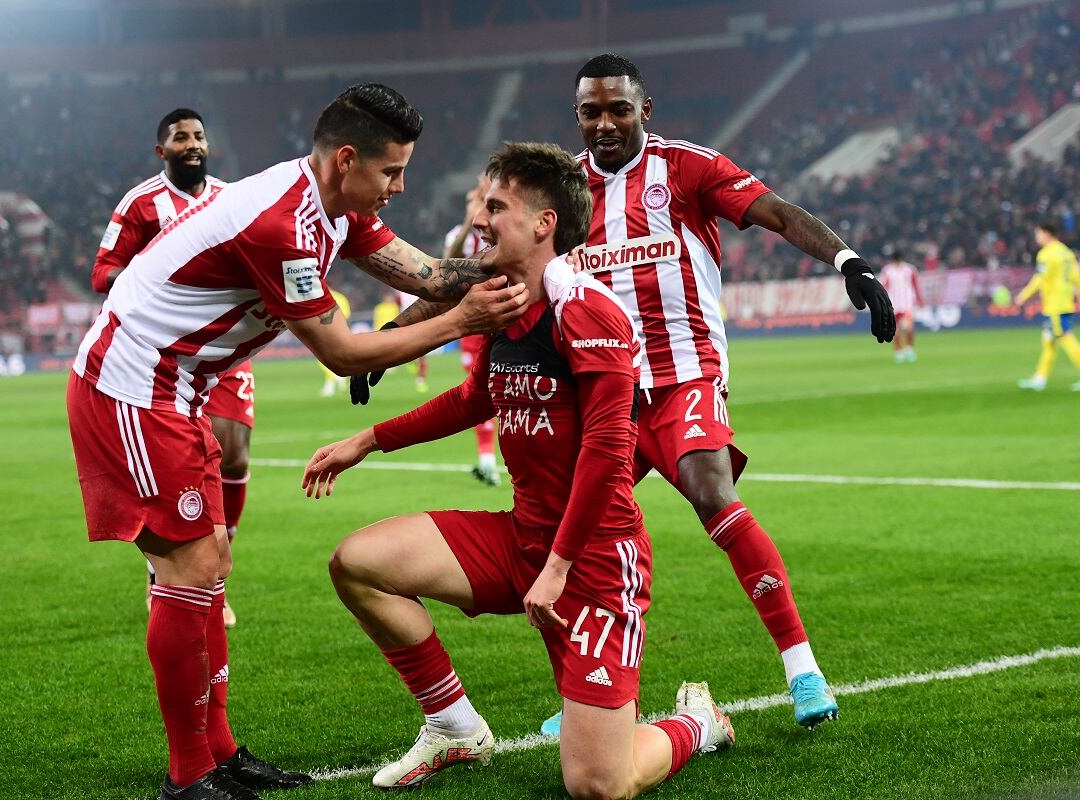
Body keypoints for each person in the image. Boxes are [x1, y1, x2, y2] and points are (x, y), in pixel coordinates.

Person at [354, 54, 897, 735]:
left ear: (645, 110)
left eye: (617, 108)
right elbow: (478, 271)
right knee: (566, 526)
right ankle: (594, 696)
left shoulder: (688, 169)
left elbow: (779, 214)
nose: (604, 122)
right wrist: (396, 332)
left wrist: (851, 264)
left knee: (710, 490)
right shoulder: (564, 192)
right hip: (596, 389)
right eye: (590, 111)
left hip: (681, 377)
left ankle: (801, 666)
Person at [66, 83, 527, 800]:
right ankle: (190, 776)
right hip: (132, 385)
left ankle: (218, 752)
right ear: (348, 159)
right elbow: (342, 355)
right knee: (189, 569)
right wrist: (463, 320)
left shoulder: (337, 207)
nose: (401, 187)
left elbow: (430, 274)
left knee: (211, 561)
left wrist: (520, 263)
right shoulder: (280, 223)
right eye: (392, 172)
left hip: (180, 387)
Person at [303, 142, 734, 798]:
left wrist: (558, 570)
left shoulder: (588, 311)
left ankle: (696, 722)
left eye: (495, 206)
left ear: (544, 224)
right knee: (358, 562)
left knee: (598, 784)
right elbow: (477, 398)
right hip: (522, 541)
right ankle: (453, 726)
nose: (479, 218)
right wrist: (367, 440)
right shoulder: (504, 304)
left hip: (591, 563)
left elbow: (607, 454)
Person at [91, 108, 252, 626]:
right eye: (180, 137)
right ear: (162, 151)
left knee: (232, 448)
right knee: (180, 465)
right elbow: (104, 274)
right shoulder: (142, 203)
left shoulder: (232, 201)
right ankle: (168, 568)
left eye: (199, 135)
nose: (192, 144)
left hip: (224, 348)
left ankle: (217, 574)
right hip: (162, 357)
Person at [445, 173, 500, 486]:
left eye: (477, 200)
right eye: (469, 202)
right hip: (472, 324)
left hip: (504, 317)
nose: (473, 205)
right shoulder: (459, 234)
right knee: (479, 391)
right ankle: (487, 460)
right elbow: (448, 262)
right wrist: (468, 220)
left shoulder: (500, 228)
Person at [1015, 221, 1080, 391]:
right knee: (1049, 341)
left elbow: (1040, 279)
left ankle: (1040, 379)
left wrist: (1023, 296)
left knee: (1066, 338)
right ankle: (1040, 379)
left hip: (1055, 304)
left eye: (1038, 234)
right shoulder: (1066, 252)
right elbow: (1077, 276)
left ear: (1046, 233)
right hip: (1064, 301)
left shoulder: (1046, 254)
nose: (1036, 237)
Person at [879, 251, 923, 363]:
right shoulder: (888, 270)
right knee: (895, 331)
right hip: (893, 304)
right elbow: (883, 286)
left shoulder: (909, 269)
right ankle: (899, 352)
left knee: (908, 327)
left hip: (907, 303)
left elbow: (915, 284)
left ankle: (909, 349)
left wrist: (920, 300)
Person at [319, 289, 352, 397]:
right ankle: (334, 381)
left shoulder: (319, 295)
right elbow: (347, 315)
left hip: (325, 332)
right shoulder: (340, 297)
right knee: (331, 357)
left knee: (324, 358)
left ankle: (334, 381)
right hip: (339, 331)